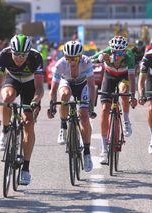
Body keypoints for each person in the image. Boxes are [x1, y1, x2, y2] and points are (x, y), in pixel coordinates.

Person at [0, 34, 44, 185]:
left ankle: (26, 168)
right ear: (11, 50)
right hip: (13, 80)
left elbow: (40, 88)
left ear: (28, 53)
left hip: (30, 84)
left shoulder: (36, 57)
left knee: (28, 122)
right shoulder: (4, 55)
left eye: (23, 55)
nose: (19, 58)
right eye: (16, 54)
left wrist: (36, 101)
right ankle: (4, 131)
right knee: (6, 98)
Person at [47, 40, 96, 172]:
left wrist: (91, 105)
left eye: (75, 58)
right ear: (65, 57)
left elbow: (91, 86)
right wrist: (52, 106)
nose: (72, 62)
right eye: (69, 58)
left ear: (80, 56)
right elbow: (53, 89)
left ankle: (86, 153)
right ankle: (63, 126)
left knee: (84, 117)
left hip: (82, 86)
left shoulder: (86, 62)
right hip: (67, 83)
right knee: (64, 95)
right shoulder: (60, 64)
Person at [90, 36, 137, 164]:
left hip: (124, 76)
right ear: (111, 51)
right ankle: (104, 151)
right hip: (109, 76)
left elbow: (132, 78)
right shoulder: (106, 52)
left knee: (123, 91)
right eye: (115, 53)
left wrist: (132, 96)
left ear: (125, 51)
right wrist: (99, 59)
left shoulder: (129, 56)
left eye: (121, 53)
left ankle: (126, 121)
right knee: (105, 109)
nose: (117, 56)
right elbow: (89, 60)